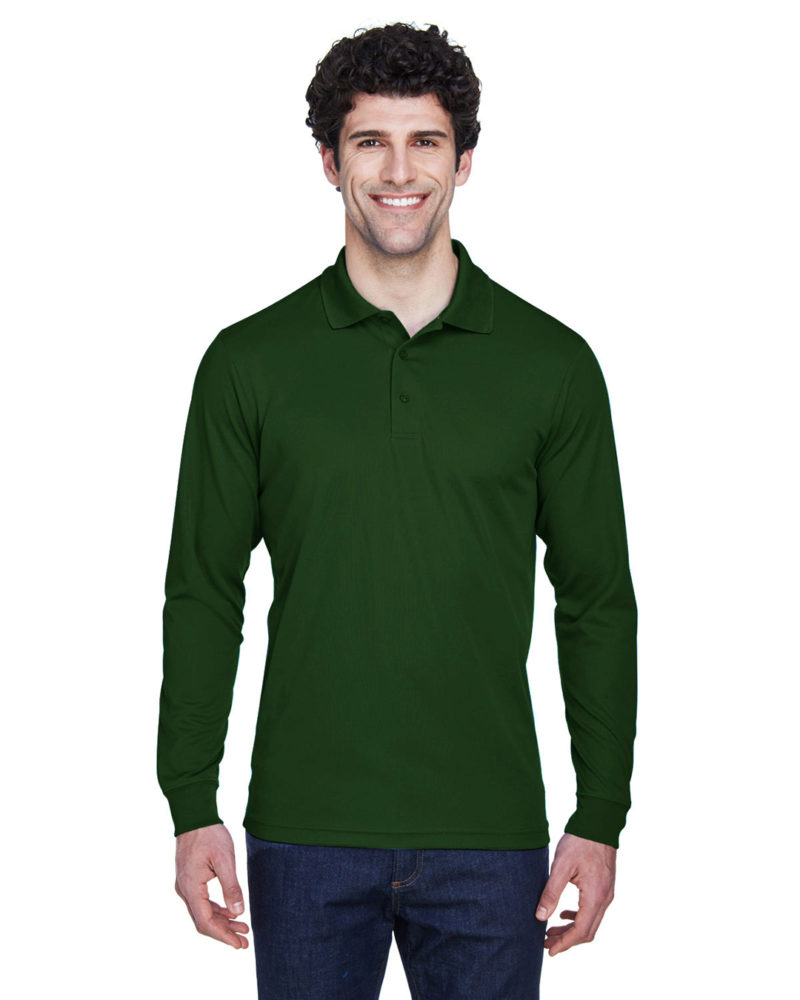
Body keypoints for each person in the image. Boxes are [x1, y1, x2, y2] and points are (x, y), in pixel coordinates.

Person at [157, 21, 637, 1000]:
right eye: (369, 141)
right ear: (329, 162)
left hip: (490, 837)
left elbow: (596, 601)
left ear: (464, 159)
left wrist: (600, 813)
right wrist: (190, 800)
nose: (399, 170)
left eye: (425, 140)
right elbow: (203, 591)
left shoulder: (551, 366)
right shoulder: (250, 364)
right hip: (304, 832)